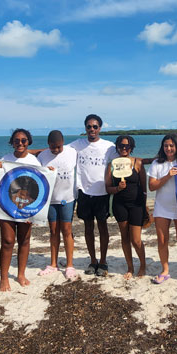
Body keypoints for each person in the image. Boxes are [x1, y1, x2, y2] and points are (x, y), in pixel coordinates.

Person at [68, 114, 117, 276]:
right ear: (85, 128)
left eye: (95, 127)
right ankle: (93, 260)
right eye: (89, 127)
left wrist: (151, 160)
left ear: (100, 128)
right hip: (84, 193)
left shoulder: (109, 147)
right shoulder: (77, 145)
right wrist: (27, 152)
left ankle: (103, 262)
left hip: (102, 193)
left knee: (103, 228)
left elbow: (125, 160)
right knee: (88, 228)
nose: (92, 129)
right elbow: (56, 149)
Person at [0, 129, 42, 291]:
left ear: (28, 142)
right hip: (6, 206)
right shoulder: (5, 160)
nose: (20, 143)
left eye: (24, 140)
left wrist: (49, 173)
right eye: (17, 141)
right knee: (8, 241)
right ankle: (4, 277)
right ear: (12, 142)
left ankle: (21, 274)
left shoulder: (35, 162)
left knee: (24, 240)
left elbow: (40, 184)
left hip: (26, 206)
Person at [147, 133, 177, 286]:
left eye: (172, 145)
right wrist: (168, 175)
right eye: (166, 145)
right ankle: (165, 271)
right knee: (162, 240)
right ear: (162, 147)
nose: (169, 148)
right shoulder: (156, 164)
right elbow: (151, 187)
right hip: (162, 207)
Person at [105, 135, 148, 279]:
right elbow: (107, 188)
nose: (124, 148)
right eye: (121, 146)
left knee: (136, 239)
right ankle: (130, 267)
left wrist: (145, 207)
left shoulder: (137, 163)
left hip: (136, 205)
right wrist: (117, 188)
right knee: (124, 237)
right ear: (117, 147)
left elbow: (144, 188)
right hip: (120, 205)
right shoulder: (112, 165)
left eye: (127, 146)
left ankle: (142, 265)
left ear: (131, 147)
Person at [37, 130, 78, 279]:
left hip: (67, 198)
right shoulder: (42, 156)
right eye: (52, 147)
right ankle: (53, 264)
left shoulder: (72, 152)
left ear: (63, 143)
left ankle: (70, 265)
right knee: (53, 231)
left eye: (58, 147)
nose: (55, 150)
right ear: (48, 145)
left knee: (66, 230)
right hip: (51, 199)